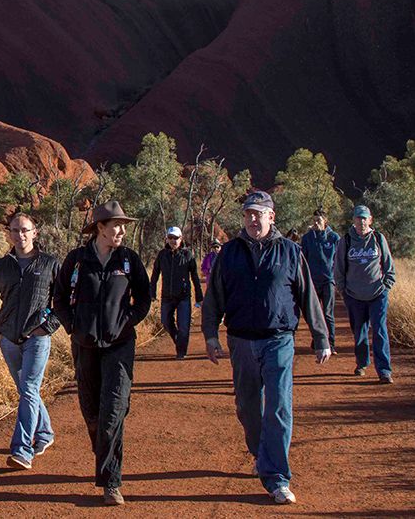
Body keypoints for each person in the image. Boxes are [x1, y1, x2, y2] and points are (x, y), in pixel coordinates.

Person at [202, 190, 331, 505]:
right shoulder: (229, 254)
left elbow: (307, 295)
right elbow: (214, 296)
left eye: (258, 213)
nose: (252, 219)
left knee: (278, 407)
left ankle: (277, 478)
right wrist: (210, 334)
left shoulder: (290, 252)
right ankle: (262, 453)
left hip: (279, 340)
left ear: (272, 216)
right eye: (247, 214)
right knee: (248, 408)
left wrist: (321, 336)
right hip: (241, 340)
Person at [54, 200, 152, 506]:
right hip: (84, 345)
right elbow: (57, 298)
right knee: (92, 412)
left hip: (119, 344)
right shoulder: (77, 260)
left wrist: (128, 322)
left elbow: (145, 298)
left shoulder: (128, 260)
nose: (121, 231)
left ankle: (112, 482)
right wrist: (72, 327)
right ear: (100, 228)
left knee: (113, 411)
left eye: (123, 225)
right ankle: (103, 449)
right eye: (116, 226)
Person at [0, 212, 62, 470]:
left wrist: (47, 328)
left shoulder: (49, 264)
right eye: (15, 230)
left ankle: (22, 450)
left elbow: (64, 301)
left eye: (25, 230)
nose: (20, 235)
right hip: (9, 339)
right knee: (27, 391)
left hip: (37, 338)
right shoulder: (1, 266)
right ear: (9, 234)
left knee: (28, 389)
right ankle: (45, 432)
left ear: (35, 232)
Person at [335, 205, 396, 383]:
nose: (361, 222)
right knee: (359, 331)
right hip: (354, 295)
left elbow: (388, 264)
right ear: (353, 220)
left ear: (370, 220)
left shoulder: (378, 238)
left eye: (364, 218)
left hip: (377, 293)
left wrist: (387, 285)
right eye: (358, 218)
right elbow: (338, 268)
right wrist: (343, 290)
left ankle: (384, 371)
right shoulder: (345, 241)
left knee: (380, 330)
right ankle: (362, 363)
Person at [149, 225, 203, 358]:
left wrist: (198, 296)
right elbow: (155, 274)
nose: (173, 240)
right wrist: (152, 293)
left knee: (184, 326)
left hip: (183, 296)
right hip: (167, 296)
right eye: (170, 238)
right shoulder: (162, 255)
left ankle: (181, 352)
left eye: (176, 238)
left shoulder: (187, 255)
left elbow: (195, 277)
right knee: (166, 322)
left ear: (181, 239)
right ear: (167, 239)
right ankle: (179, 340)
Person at [299, 210, 341, 348]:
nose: (316, 223)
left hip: (328, 280)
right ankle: (318, 339)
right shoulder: (307, 238)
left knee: (328, 313)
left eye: (319, 220)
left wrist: (337, 277)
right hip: (312, 281)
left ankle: (331, 342)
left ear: (325, 221)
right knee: (314, 313)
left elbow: (338, 259)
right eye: (314, 220)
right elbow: (303, 259)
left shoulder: (334, 238)